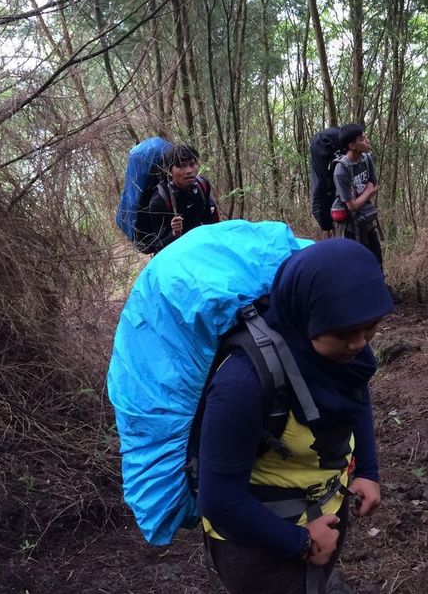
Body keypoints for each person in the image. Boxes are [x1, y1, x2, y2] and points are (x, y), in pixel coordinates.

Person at [198, 238, 394, 594]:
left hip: (325, 513)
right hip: (257, 542)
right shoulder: (242, 382)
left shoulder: (349, 356)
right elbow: (219, 499)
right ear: (306, 316)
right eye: (345, 334)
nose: (359, 344)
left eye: (370, 329)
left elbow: (355, 395)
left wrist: (367, 470)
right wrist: (301, 543)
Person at [144, 143, 219, 252]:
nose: (188, 171)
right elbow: (158, 247)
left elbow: (209, 223)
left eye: (192, 164)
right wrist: (174, 234)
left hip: (200, 246)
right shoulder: (160, 201)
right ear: (169, 171)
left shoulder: (203, 185)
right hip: (176, 254)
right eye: (181, 166)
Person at [330, 124, 383, 267]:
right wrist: (366, 193)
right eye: (362, 139)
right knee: (354, 266)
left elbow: (375, 185)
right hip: (349, 228)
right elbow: (352, 206)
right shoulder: (341, 170)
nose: (367, 140)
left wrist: (363, 197)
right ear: (352, 145)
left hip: (367, 221)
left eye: (365, 137)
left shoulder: (366, 159)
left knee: (377, 261)